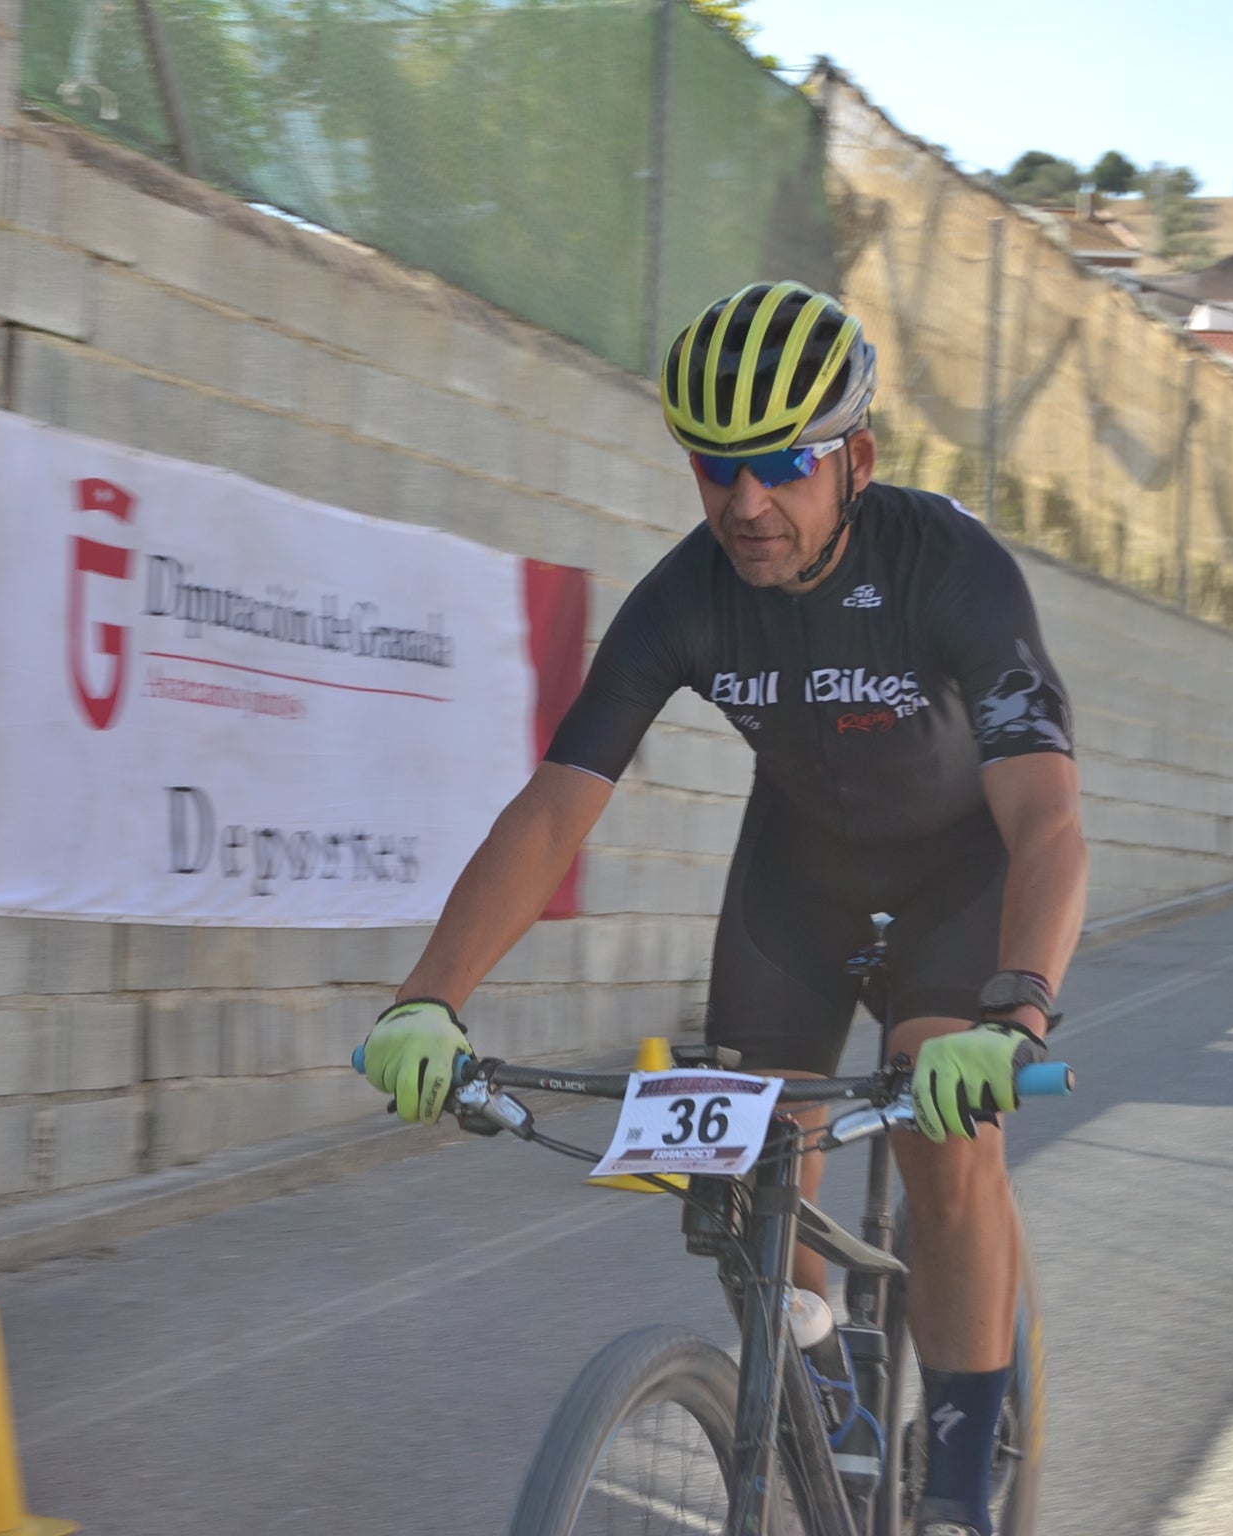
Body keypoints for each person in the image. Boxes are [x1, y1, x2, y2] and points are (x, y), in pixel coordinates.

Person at [358, 281, 1087, 1536]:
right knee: (748, 1149)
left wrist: (1015, 1015)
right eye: (715, 469)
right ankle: (821, 1357)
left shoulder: (950, 567)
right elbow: (553, 810)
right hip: (798, 881)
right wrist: (431, 996)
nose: (747, 503)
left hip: (959, 881)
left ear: (854, 456)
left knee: (944, 1136)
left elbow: (1046, 822)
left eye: (783, 464)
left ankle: (965, 1486)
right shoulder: (689, 593)